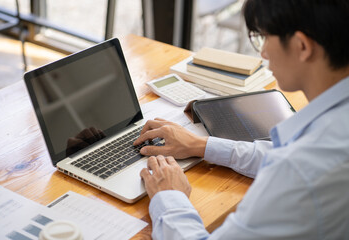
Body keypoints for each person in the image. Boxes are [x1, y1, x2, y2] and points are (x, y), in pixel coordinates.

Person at [133, 0, 349, 239]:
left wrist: (169, 197)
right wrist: (202, 146)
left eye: (265, 37)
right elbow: (284, 156)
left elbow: (298, 167)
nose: (263, 52)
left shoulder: (300, 171)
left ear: (302, 46)